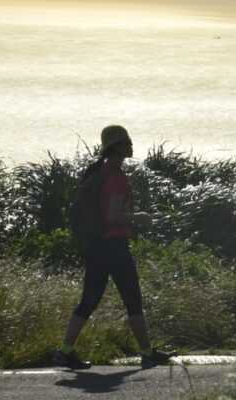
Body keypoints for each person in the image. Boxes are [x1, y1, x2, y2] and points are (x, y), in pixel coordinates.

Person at [52, 125, 173, 370]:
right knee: (133, 300)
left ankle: (65, 351)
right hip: (114, 246)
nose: (131, 145)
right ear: (116, 147)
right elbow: (114, 216)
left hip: (96, 246)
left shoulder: (99, 171)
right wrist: (139, 217)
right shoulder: (115, 177)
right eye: (127, 142)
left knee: (88, 300)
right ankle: (147, 353)